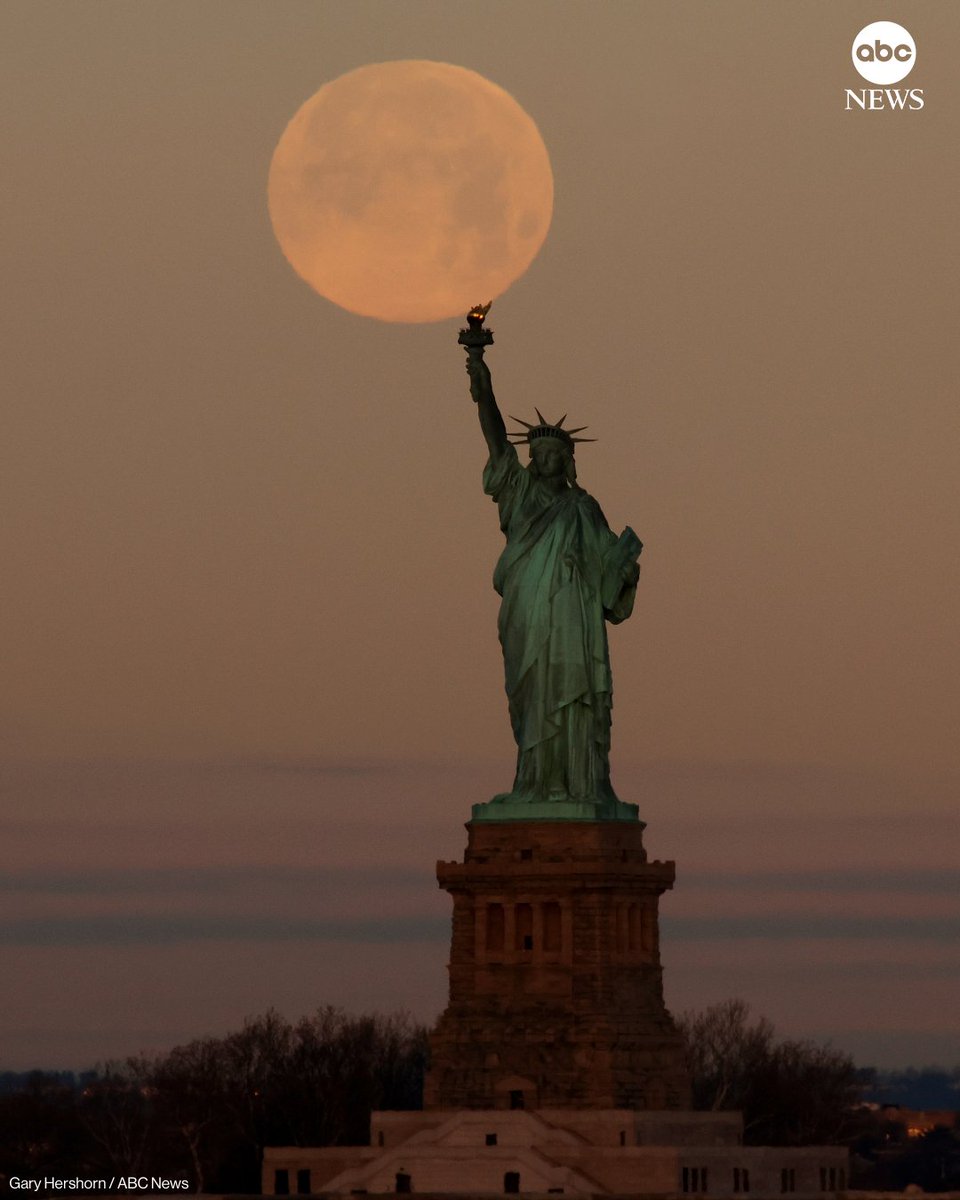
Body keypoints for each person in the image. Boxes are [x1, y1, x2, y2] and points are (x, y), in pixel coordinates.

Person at [466, 352, 642, 813]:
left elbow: (609, 567)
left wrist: (624, 564)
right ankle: (535, 782)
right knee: (531, 694)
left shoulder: (584, 506)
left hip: (572, 616)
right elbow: (493, 435)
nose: (544, 460)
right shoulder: (518, 490)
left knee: (571, 690)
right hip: (528, 604)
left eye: (553, 455)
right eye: (538, 454)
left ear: (568, 462)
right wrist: (480, 373)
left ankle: (577, 784)